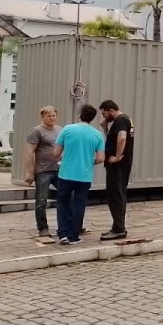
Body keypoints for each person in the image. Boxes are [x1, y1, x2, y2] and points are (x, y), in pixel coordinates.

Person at [52, 104, 106, 245]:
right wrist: (89, 161)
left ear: (80, 114)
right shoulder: (97, 134)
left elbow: (56, 153)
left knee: (63, 203)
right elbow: (100, 158)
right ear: (92, 118)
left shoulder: (67, 129)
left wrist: (65, 157)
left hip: (66, 174)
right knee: (79, 204)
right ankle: (74, 235)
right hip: (84, 176)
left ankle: (63, 234)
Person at [99, 99, 135, 241]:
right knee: (119, 194)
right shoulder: (127, 119)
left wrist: (117, 157)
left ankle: (119, 229)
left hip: (118, 166)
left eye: (104, 113)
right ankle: (117, 226)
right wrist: (105, 129)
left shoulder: (120, 120)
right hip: (124, 164)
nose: (104, 117)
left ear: (110, 110)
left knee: (115, 196)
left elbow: (121, 138)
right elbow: (116, 138)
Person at [23, 105, 61, 239]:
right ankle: (43, 228)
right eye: (48, 116)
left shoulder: (59, 130)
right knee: (41, 201)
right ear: (42, 117)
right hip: (43, 171)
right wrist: (30, 172)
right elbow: (29, 152)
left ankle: (65, 226)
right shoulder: (37, 131)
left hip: (58, 169)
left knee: (67, 196)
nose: (52, 118)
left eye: (53, 115)